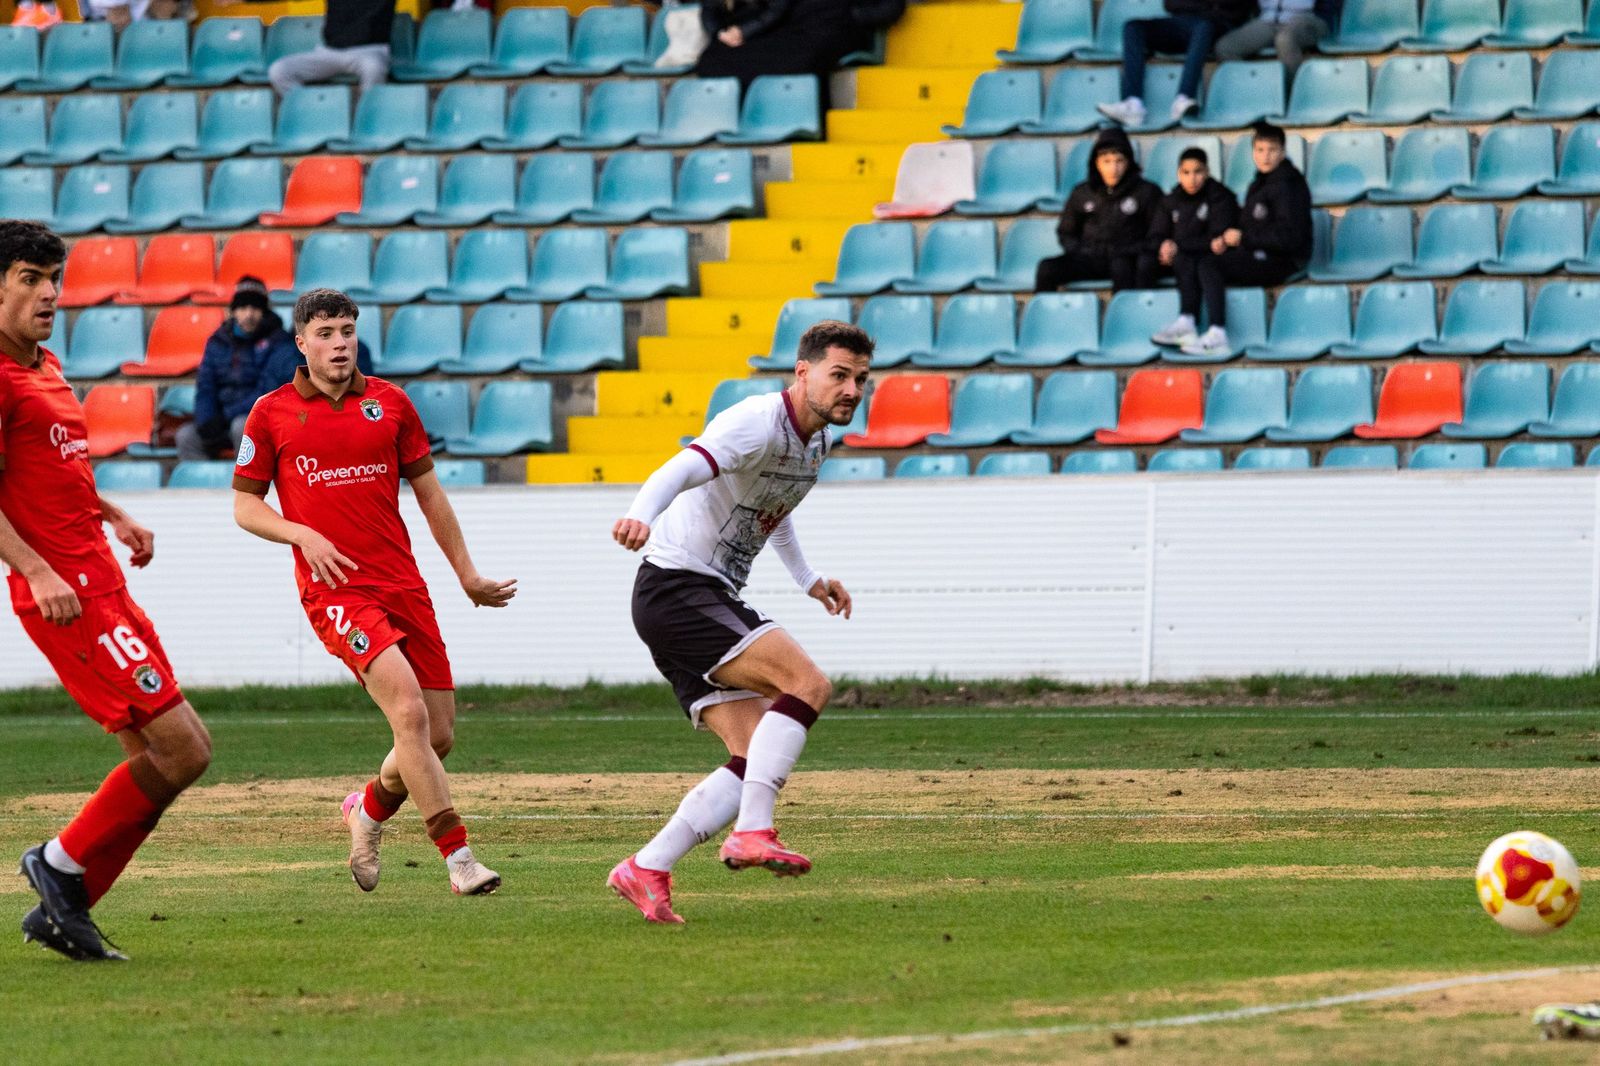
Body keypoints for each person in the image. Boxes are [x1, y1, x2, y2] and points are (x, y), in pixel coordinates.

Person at [231, 289, 515, 897]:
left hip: (403, 584)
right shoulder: (271, 413)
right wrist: (301, 534)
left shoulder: (391, 403)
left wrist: (466, 573)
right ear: (301, 343)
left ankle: (365, 810)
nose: (339, 343)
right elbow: (245, 506)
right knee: (407, 714)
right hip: (336, 591)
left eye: (347, 331)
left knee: (436, 738)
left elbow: (431, 495)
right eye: (327, 333)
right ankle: (459, 857)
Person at [606, 320, 867, 924]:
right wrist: (640, 514)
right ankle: (753, 830)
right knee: (808, 685)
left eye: (859, 379)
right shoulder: (754, 421)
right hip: (678, 587)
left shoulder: (816, 442)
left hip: (697, 594)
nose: (851, 389)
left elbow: (772, 511)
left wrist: (809, 581)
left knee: (753, 752)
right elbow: (681, 468)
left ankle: (646, 866)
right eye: (839, 375)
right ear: (802, 372)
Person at [0, 220, 212, 962]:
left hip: (102, 581)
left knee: (152, 763)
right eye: (29, 278)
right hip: (66, 597)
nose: (48, 293)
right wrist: (36, 570)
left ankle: (67, 909)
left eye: (53, 278)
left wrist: (116, 515)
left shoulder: (46, 369)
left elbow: (57, 479)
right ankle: (58, 866)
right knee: (186, 749)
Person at [1160, 122, 1313, 358]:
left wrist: (1244, 238)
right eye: (1260, 150)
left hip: (1282, 260)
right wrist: (1229, 239)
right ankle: (1187, 321)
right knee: (1200, 255)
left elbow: (1290, 238)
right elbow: (1252, 226)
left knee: (1210, 264)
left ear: (1282, 152)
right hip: (1258, 251)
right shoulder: (1260, 182)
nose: (1265, 156)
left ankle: (1217, 333)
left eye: (1272, 150)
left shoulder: (1288, 185)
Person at [178, 277, 296, 463]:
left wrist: (225, 417)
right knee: (187, 436)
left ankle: (245, 487)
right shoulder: (217, 342)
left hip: (255, 418)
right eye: (242, 308)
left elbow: (267, 390)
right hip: (222, 418)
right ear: (234, 311)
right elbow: (206, 386)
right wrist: (206, 420)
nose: (248, 314)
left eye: (255, 308)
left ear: (264, 312)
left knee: (242, 426)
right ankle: (206, 487)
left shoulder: (278, 342)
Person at [1035, 126, 1162, 293]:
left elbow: (1158, 233)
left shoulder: (1146, 192)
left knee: (1122, 267)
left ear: (1128, 162)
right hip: (1090, 259)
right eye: (1107, 161)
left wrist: (1131, 249)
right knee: (1047, 268)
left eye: (1119, 161)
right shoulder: (1082, 192)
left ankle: (1122, 317)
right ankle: (1046, 317)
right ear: (1097, 163)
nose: (1113, 168)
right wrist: (1082, 251)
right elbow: (1066, 232)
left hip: (1126, 258)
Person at [1097, 0, 1254, 128]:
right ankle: (1132, 103)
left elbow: (1242, 8)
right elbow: (1171, 4)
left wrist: (1208, 8)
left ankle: (1184, 97)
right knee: (1133, 27)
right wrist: (1208, 5)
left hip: (1218, 25)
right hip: (1182, 24)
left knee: (1204, 26)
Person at [1150, 148, 1240, 353]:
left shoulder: (1221, 197)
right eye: (1186, 172)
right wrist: (1163, 245)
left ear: (1207, 172)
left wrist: (1177, 245)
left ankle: (1212, 329)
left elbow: (1217, 237)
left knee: (1197, 258)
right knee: (1175, 258)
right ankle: (1186, 322)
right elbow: (1155, 234)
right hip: (1183, 260)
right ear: (1178, 174)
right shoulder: (1171, 200)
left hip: (1215, 259)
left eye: (1198, 172)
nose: (1192, 179)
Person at [695, 0, 871, 105]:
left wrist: (852, 15)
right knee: (715, 58)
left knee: (806, 58)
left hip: (838, 27)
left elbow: (889, 8)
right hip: (795, 28)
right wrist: (725, 33)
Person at [268, 0, 397, 97]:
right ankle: (310, 111)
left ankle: (366, 117)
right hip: (330, 52)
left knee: (374, 67)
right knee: (279, 70)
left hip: (369, 51)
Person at [1215, 0, 1343, 80]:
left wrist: (1325, 14)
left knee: (1284, 40)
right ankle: (1253, 91)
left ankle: (1292, 96)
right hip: (1268, 20)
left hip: (1309, 18)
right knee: (1225, 47)